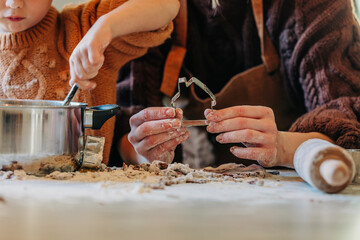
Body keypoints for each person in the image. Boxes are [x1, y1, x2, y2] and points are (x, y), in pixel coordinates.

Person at [110, 0, 360, 168]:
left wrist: (282, 147)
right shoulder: (144, 9)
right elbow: (119, 132)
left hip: (294, 203)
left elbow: (348, 129)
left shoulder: (314, 6)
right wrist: (143, 150)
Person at [0, 0, 180, 164]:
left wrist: (106, 26)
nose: (14, 3)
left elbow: (167, 5)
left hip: (83, 194)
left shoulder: (81, 27)